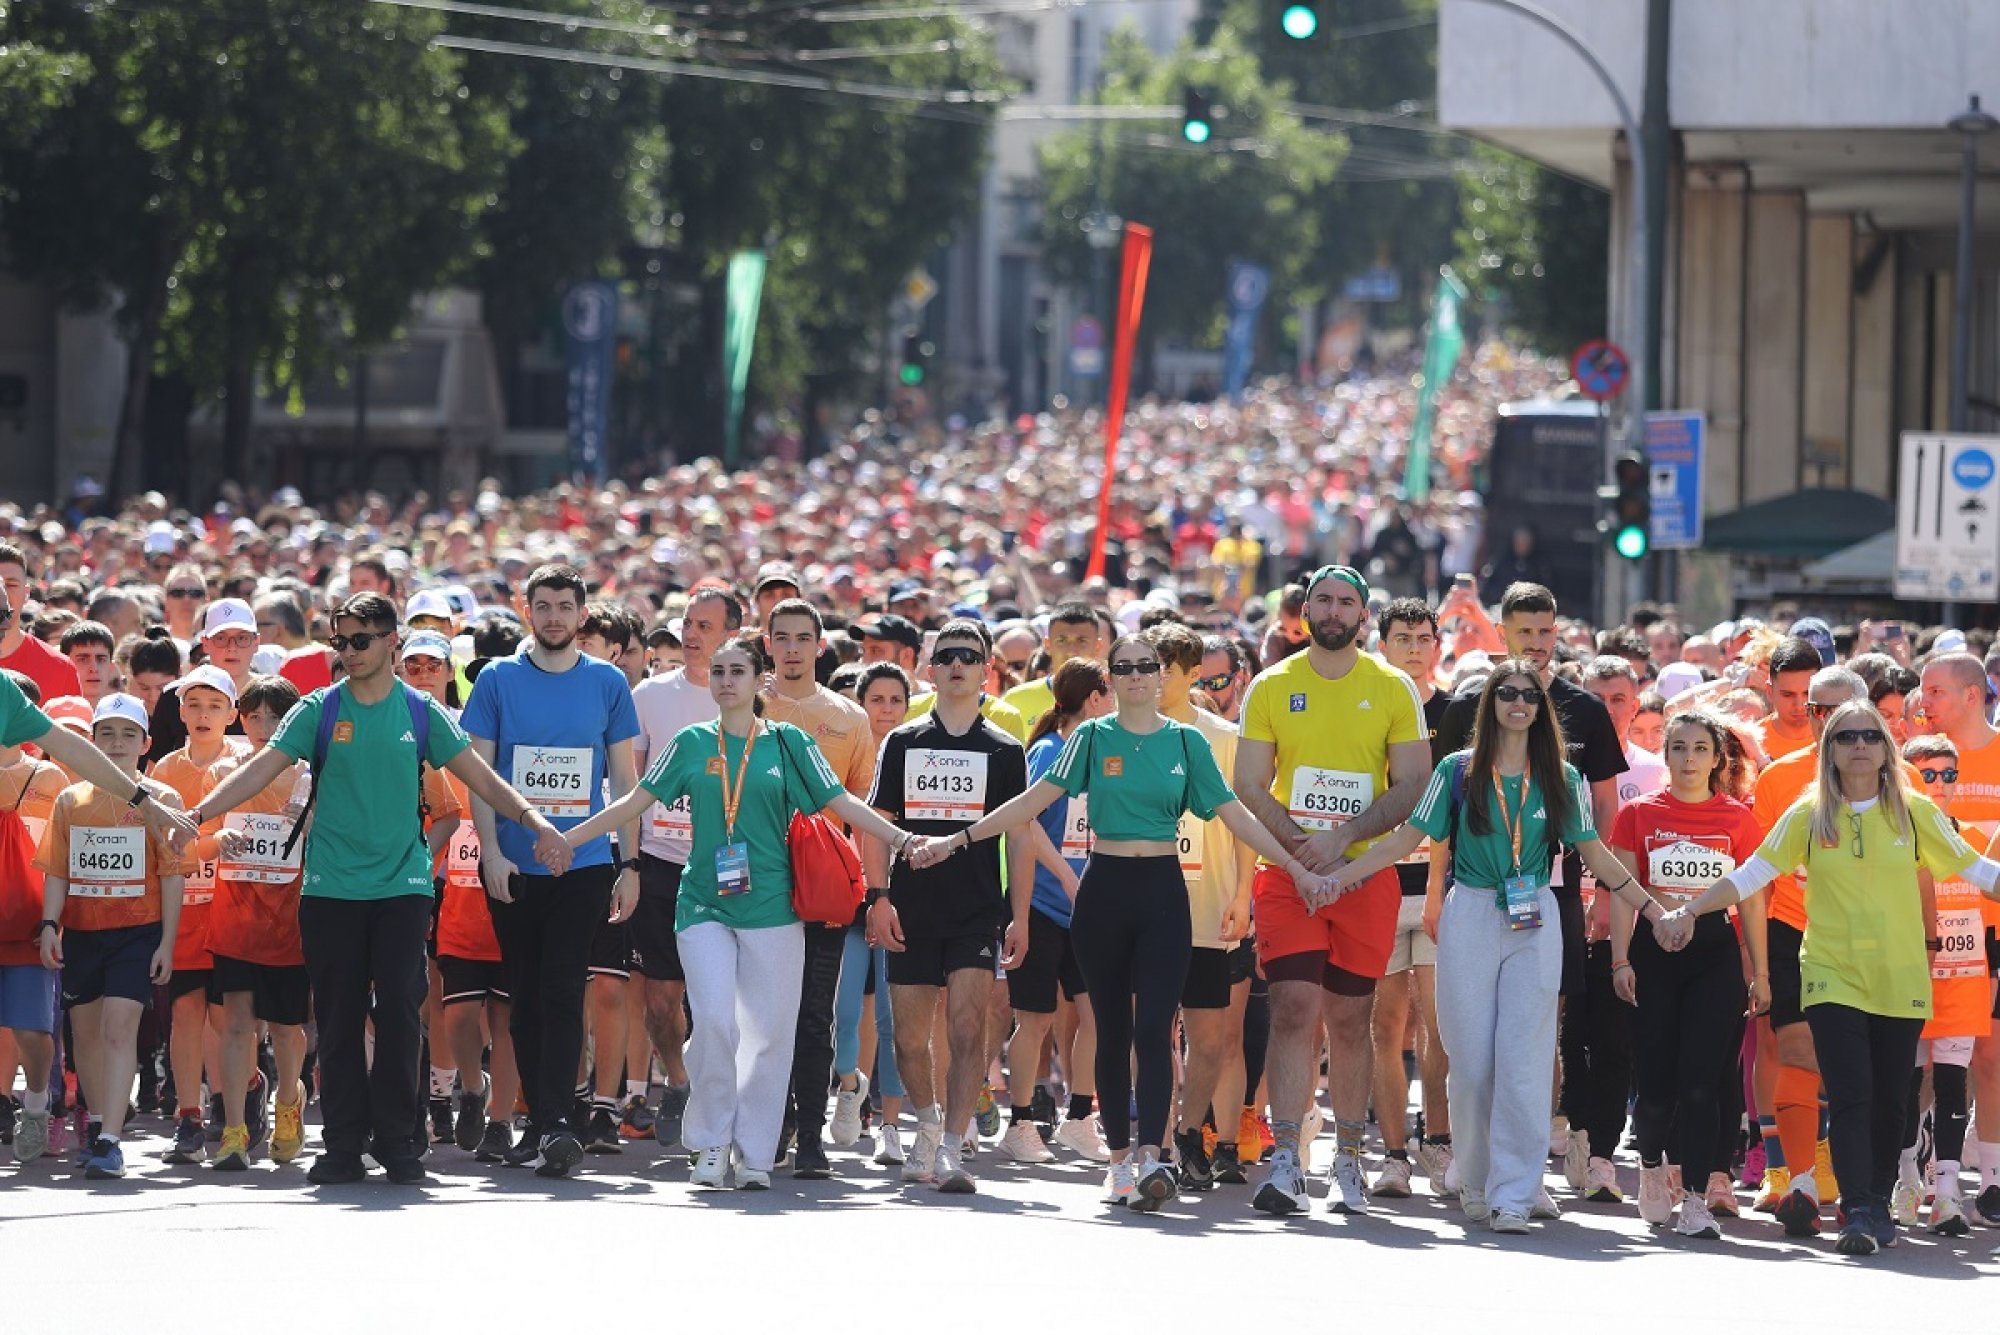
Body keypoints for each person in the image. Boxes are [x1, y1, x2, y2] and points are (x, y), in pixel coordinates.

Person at [913, 633, 1315, 1210]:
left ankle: (1153, 1155)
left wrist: (1295, 863)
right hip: (1103, 890)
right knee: (1110, 1029)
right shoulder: (1092, 737)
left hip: (1162, 892)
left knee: (1155, 1029)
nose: (1134, 676)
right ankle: (1120, 1162)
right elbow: (1032, 803)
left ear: (1160, 675)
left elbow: (1231, 812)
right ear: (1111, 676)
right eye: (1122, 667)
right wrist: (958, 838)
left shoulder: (1187, 741)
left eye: (1144, 666)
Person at [188, 592, 571, 1187]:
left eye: (361, 640)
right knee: (337, 1020)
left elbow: (479, 777)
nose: (349, 651)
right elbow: (260, 769)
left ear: (392, 641)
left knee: (397, 1013)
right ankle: (341, 1144)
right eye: (341, 641)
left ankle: (398, 1142)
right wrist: (200, 812)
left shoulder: (421, 713)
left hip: (402, 886)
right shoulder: (316, 708)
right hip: (330, 888)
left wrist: (534, 819)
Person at [561, 634, 919, 1190]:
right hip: (701, 901)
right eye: (719, 671)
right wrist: (569, 838)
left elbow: (841, 804)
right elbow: (634, 802)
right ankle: (710, 1142)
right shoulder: (690, 743)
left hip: (775, 906)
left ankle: (753, 1151)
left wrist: (902, 840)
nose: (726, 680)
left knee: (769, 1034)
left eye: (737, 672)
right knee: (716, 1024)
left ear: (758, 683)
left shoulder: (788, 743)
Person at [1327, 660, 1671, 1234]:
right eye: (1506, 694)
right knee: (1471, 1066)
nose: (1518, 703)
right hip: (1472, 914)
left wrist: (1657, 910)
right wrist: (1341, 873)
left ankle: (1515, 1191)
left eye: (1529, 695)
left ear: (1541, 708)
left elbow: (1597, 853)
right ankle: (1480, 1180)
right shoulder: (1457, 770)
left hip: (1535, 917)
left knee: (1525, 1059)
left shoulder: (1561, 776)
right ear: (1490, 704)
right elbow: (1409, 838)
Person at [1662, 700, 2000, 1256]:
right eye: (1847, 737)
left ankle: (1877, 1192)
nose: (1859, 745)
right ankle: (1861, 1209)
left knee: (1892, 1098)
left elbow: (1978, 870)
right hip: (1831, 973)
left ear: (1886, 748)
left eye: (1870, 735)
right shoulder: (1808, 813)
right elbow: (1751, 875)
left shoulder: (1916, 812)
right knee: (1850, 1093)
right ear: (1830, 750)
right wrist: (1689, 910)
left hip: (1901, 977)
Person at [1232, 566, 1432, 1216]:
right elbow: (1250, 784)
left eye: (1348, 600)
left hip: (1364, 876)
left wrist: (1340, 841)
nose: (1335, 609)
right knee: (1291, 1009)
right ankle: (1286, 1157)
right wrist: (1301, 851)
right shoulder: (1272, 684)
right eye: (1324, 598)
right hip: (1290, 875)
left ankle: (1349, 1159)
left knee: (1351, 1020)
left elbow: (1411, 785)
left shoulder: (1393, 686)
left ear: (1364, 615)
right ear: (1305, 609)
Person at [462, 564, 641, 1177]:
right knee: (524, 997)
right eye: (544, 606)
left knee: (565, 988)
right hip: (514, 863)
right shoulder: (496, 679)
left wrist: (629, 861)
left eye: (566, 606)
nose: (555, 616)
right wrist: (490, 850)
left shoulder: (608, 683)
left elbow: (625, 782)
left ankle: (559, 1121)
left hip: (585, 862)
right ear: (526, 610)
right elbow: (479, 775)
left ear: (582, 613)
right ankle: (538, 1119)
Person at [866, 618, 1031, 1194]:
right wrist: (878, 896)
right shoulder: (903, 741)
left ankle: (955, 1149)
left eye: (970, 656)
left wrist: (1022, 916)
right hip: (911, 908)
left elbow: (1022, 836)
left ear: (987, 670)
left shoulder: (1006, 750)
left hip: (978, 912)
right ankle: (928, 1126)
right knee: (910, 1040)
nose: (958, 664)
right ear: (929, 669)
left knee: (966, 1028)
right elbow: (876, 826)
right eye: (948, 655)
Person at [1607, 708, 1765, 1239]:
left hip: (1714, 955)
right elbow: (1623, 889)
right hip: (1654, 953)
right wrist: (1620, 958)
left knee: (1702, 1085)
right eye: (1678, 748)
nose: (1689, 758)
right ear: (1666, 755)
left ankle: (1696, 1196)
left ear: (1718, 757)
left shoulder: (1738, 819)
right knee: (1654, 1087)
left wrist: (1760, 971)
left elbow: (1753, 901)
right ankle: (1651, 1165)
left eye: (1700, 748)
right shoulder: (1638, 814)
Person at [34, 694, 191, 1179]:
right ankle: (98, 1119)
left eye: (128, 735)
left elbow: (172, 873)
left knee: (118, 1029)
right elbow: (57, 870)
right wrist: (48, 926)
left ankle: (109, 1141)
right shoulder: (70, 799)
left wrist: (166, 941)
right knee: (86, 1035)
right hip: (82, 932)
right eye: (106, 734)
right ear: (91, 741)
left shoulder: (162, 800)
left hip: (137, 933)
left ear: (146, 743)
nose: (118, 744)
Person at [760, 597, 878, 1179]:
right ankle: (768, 1125)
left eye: (802, 638)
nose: (791, 648)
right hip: (755, 886)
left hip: (823, 889)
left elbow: (860, 812)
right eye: (781, 637)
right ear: (767, 643)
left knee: (813, 1016)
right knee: (761, 1015)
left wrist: (874, 895)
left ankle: (810, 1136)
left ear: (817, 645)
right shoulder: (749, 706)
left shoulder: (850, 719)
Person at [1747, 664, 1867, 1227]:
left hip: (1870, 940)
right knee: (1795, 1051)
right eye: (1816, 709)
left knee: (1855, 1066)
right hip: (1793, 931)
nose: (1820, 720)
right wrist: (1754, 955)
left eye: (1836, 710)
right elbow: (1757, 875)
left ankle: (1853, 1184)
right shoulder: (1778, 778)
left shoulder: (1902, 780)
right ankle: (1796, 1182)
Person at [628, 584, 737, 1146]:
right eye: (687, 624)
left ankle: (723, 1091)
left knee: (720, 997)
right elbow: (633, 789)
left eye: (705, 626)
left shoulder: (748, 698)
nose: (692, 635)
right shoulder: (650, 696)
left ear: (732, 636)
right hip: (661, 862)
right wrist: (629, 863)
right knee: (661, 996)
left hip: (729, 865)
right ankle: (677, 1078)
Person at [1149, 621, 1253, 1192]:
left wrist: (1242, 895)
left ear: (1194, 675)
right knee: (1151, 1034)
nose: (1156, 676)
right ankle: (1159, 1143)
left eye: (1169, 666)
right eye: (1149, 664)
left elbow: (1241, 825)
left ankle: (1192, 1134)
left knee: (1210, 1039)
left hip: (1208, 909)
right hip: (1145, 910)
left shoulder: (1222, 737)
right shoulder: (1119, 732)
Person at [997, 657, 1110, 1168]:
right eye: (1108, 693)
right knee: (1036, 1019)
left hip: (1086, 911)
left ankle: (1080, 1118)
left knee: (1097, 1016)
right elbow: (1027, 821)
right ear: (1092, 700)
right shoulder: (1048, 750)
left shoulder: (1097, 752)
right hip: (1041, 906)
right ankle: (1020, 1124)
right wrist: (1067, 875)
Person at [204, 675, 317, 1170]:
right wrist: (215, 843)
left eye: (276, 716)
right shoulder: (224, 773)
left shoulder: (313, 775)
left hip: (289, 920)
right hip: (234, 914)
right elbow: (198, 840)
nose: (263, 726)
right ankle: (234, 1129)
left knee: (287, 1028)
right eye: (254, 716)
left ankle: (288, 1103)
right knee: (235, 1024)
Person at [1370, 596, 1455, 1197]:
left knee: (1440, 1024)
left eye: (1424, 637)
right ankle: (1392, 1152)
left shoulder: (1457, 711)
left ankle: (1439, 1143)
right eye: (1403, 637)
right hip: (1376, 883)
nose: (1415, 646)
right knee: (1383, 1024)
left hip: (1439, 888)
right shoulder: (1367, 706)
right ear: (1384, 644)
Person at [150, 664, 248, 1167]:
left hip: (234, 911)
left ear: (233, 712)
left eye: (215, 705)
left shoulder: (248, 762)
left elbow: (251, 840)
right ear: (181, 711)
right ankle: (189, 1118)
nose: (203, 715)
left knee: (228, 1018)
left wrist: (200, 846)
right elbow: (163, 846)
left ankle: (243, 1094)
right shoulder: (164, 770)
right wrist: (206, 845)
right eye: (193, 704)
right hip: (182, 911)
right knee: (186, 1014)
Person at [1914, 651, 2000, 1226]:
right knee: (1919, 1060)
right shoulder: (1915, 758)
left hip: (1989, 931)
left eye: (1937, 692)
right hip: (1926, 929)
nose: (1925, 703)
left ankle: (1992, 1179)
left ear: (1972, 694)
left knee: (1990, 1057)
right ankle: (1915, 1168)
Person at [832, 661, 914, 1165]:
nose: (885, 710)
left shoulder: (913, 756)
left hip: (899, 903)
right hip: (845, 901)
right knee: (843, 1013)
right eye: (876, 700)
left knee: (891, 1019)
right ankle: (848, 1084)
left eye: (895, 700)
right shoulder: (846, 757)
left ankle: (889, 1127)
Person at [1900, 733, 1980, 1235]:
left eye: (1949, 774)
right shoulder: (1897, 840)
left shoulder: (1972, 838)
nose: (1941, 784)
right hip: (1907, 980)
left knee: (1953, 1087)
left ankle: (1947, 1189)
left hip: (1963, 982)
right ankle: (1906, 1174)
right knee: (1905, 1087)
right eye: (1928, 774)